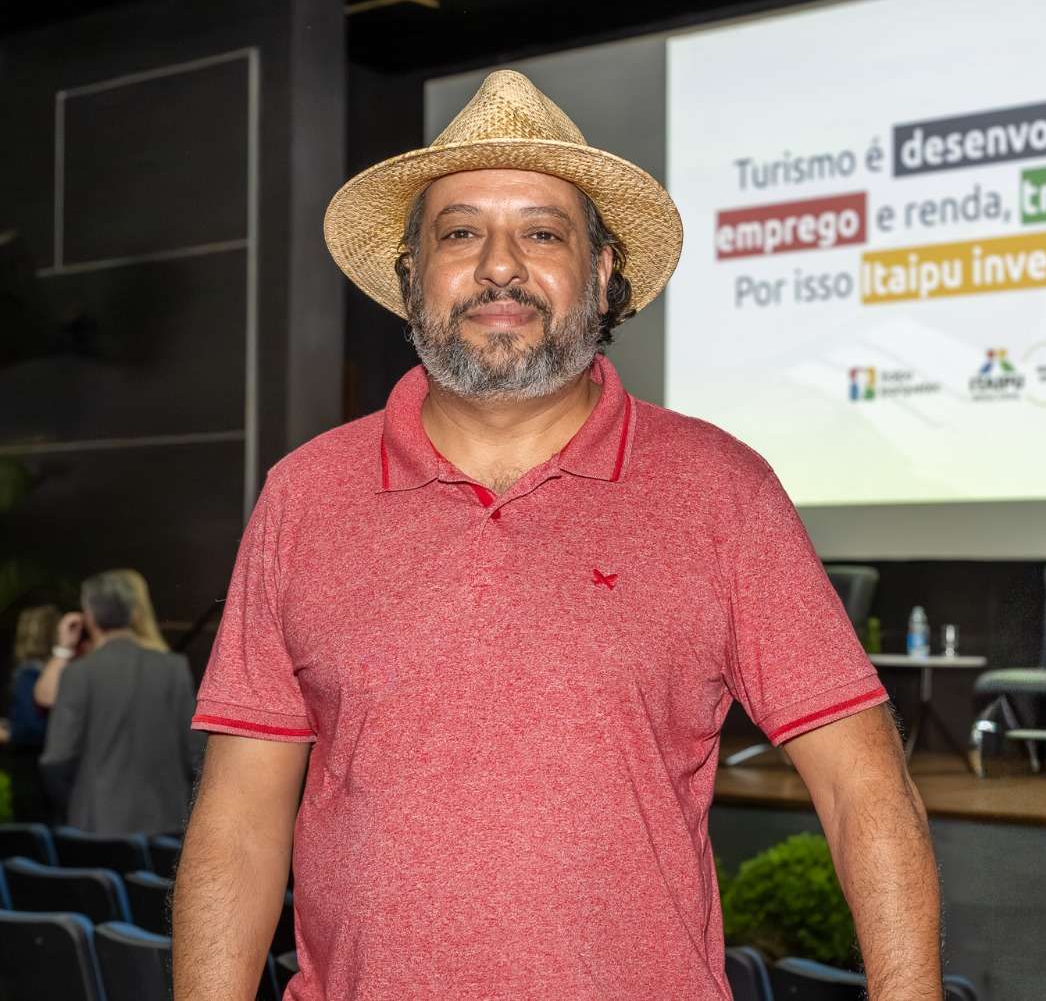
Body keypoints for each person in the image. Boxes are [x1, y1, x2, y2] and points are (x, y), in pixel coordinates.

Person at [174, 71, 942, 1001]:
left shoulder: (720, 490)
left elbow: (865, 791)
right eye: (460, 234)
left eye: (542, 234)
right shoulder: (305, 495)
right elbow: (239, 820)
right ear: (411, 276)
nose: (500, 267)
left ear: (603, 272)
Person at [38, 570, 202, 833]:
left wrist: (75, 803)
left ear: (89, 616)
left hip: (97, 824)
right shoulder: (174, 668)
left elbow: (57, 759)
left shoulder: (79, 673)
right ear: (134, 613)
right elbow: (195, 752)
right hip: (167, 821)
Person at [34, 568, 168, 710]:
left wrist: (64, 648)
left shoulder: (88, 671)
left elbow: (47, 697)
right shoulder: (167, 665)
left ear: (91, 616)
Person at [1, 604, 59, 820]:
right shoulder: (60, 671)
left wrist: (8, 733)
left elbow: (30, 729)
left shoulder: (28, 674)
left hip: (32, 773)